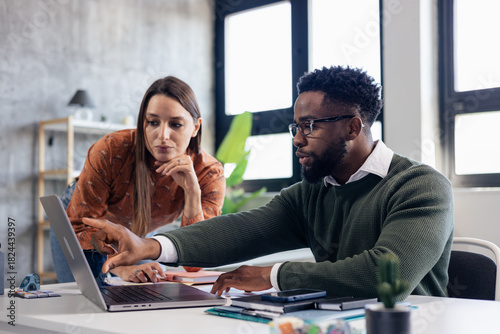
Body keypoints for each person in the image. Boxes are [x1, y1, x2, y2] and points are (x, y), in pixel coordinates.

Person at [82, 66, 454, 300]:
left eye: (310, 126)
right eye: (296, 127)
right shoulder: (311, 193)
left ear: (353, 127)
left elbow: (386, 274)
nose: (297, 139)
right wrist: (150, 246)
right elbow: (240, 231)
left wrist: (271, 275)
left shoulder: (419, 187)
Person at [63, 76, 225, 283]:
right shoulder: (111, 149)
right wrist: (121, 268)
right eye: (153, 122)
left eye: (176, 124)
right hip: (80, 223)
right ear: (143, 123)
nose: (163, 135)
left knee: (139, 293)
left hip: (139, 226)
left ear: (195, 127)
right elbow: (81, 225)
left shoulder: (209, 173)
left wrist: (192, 193)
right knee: (80, 298)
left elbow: (194, 263)